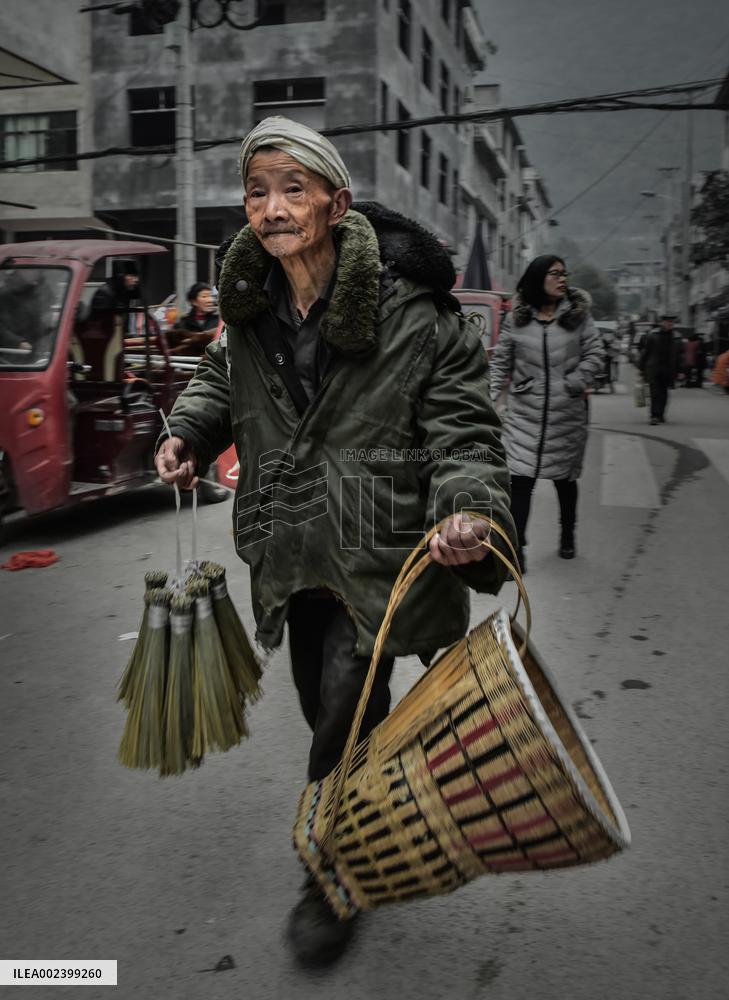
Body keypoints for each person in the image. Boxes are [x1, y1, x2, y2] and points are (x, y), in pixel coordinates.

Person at [153, 116, 516, 967]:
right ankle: (371, 798)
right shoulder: (250, 310)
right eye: (256, 191)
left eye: (292, 189)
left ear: (336, 205)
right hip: (290, 546)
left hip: (378, 550)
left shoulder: (416, 317)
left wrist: (467, 506)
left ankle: (332, 870)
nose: (272, 208)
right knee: (327, 705)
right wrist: (189, 433)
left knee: (344, 711)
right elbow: (220, 379)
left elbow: (464, 431)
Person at [488, 255, 604, 570]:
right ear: (538, 277)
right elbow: (501, 363)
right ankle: (516, 550)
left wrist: (574, 382)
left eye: (565, 274)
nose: (562, 279)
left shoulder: (578, 317)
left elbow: (595, 354)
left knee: (565, 481)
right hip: (524, 414)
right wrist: (489, 399)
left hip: (566, 415)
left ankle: (567, 534)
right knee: (519, 482)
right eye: (555, 273)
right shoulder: (517, 319)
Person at [638, 314, 681, 425]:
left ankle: (661, 414)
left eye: (671, 322)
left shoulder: (676, 337)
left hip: (668, 369)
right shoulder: (653, 335)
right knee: (654, 392)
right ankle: (654, 415)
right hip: (654, 368)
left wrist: (681, 371)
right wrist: (641, 367)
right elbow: (645, 352)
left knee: (664, 393)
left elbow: (679, 355)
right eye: (667, 322)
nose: (670, 324)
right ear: (662, 323)